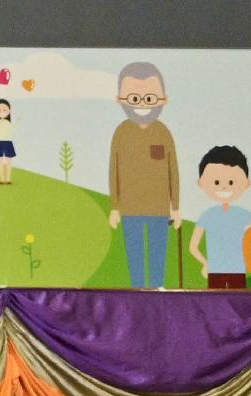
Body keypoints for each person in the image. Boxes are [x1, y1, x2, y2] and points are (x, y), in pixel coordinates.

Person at [110, 61, 177, 289]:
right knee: (135, 255)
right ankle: (137, 291)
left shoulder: (163, 132)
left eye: (149, 98)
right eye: (134, 98)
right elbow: (114, 170)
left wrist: (175, 208)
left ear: (162, 99)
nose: (142, 104)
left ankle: (158, 290)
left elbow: (172, 171)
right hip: (130, 208)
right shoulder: (121, 132)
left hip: (159, 208)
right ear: (120, 99)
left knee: (158, 256)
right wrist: (115, 207)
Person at [195, 146, 251, 289]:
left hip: (238, 270)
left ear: (247, 183)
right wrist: (205, 263)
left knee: (239, 304)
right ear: (201, 183)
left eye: (231, 182)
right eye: (216, 182)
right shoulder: (208, 215)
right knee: (215, 305)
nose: (224, 188)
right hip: (215, 270)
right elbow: (193, 246)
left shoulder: (243, 215)